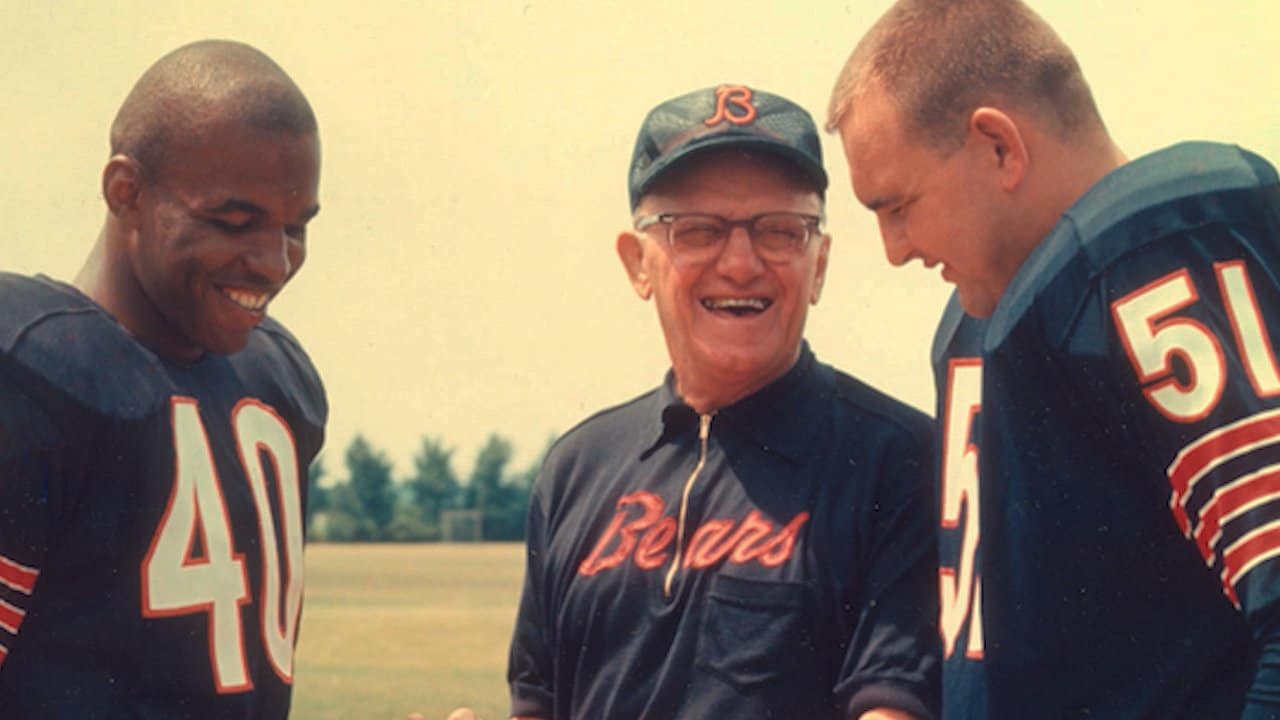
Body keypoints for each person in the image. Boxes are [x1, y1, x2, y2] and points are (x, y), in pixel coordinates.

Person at [827, 1, 1280, 718]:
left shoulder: (1151, 254)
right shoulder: (978, 323)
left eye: (898, 206)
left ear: (999, 147)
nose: (895, 249)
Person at [482, 84, 940, 720]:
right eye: (696, 232)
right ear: (637, 263)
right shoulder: (577, 468)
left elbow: (894, 705)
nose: (741, 263)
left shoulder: (902, 460)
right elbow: (537, 705)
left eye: (781, 232)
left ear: (820, 263)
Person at [0, 40, 326, 717]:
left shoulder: (279, 378)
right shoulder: (29, 371)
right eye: (235, 222)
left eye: (295, 228)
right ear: (127, 193)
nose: (274, 262)